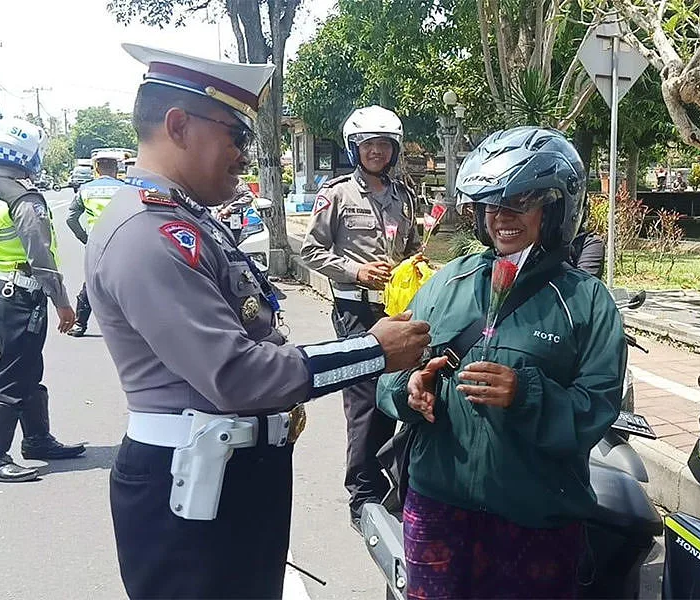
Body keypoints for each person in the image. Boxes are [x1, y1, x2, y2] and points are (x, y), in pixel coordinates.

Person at [85, 44, 431, 599]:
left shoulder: (189, 217)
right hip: (192, 488)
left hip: (228, 475)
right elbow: (236, 373)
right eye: (237, 136)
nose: (246, 154)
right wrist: (372, 351)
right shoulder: (146, 233)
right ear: (178, 125)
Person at [377, 126, 626, 599]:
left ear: (554, 210)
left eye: (519, 203)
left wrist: (526, 393)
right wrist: (410, 389)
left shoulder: (585, 301)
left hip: (535, 519)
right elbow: (388, 376)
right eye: (491, 204)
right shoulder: (446, 283)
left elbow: (596, 407)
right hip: (438, 508)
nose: (501, 218)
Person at [300, 105, 421, 532]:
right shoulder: (336, 194)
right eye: (369, 144)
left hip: (397, 309)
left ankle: (397, 481)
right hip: (356, 309)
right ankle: (364, 494)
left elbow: (412, 248)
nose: (377, 151)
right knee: (365, 404)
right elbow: (310, 251)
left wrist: (416, 267)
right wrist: (357, 271)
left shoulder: (404, 196)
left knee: (403, 395)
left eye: (384, 145)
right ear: (355, 148)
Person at [0, 118, 85, 483]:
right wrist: (63, 302)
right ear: (27, 154)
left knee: (26, 364)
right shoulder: (22, 197)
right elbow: (40, 256)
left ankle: (36, 439)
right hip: (20, 291)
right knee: (15, 371)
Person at [65, 152, 126, 337]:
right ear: (116, 170)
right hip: (123, 243)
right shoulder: (126, 189)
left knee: (91, 283)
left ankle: (79, 325)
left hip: (96, 244)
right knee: (127, 282)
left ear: (96, 169)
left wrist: (85, 238)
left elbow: (71, 219)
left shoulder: (85, 190)